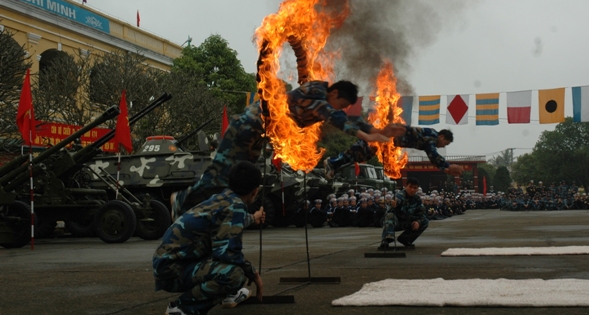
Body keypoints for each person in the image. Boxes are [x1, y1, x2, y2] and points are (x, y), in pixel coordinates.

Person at [170, 80, 398, 219]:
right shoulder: (318, 97)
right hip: (247, 126)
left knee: (240, 180)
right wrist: (366, 135)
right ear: (335, 94)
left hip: (260, 134)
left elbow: (347, 118)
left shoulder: (324, 100)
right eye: (342, 104)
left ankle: (212, 213)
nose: (341, 109)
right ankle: (180, 200)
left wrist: (375, 130)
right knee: (220, 173)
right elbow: (334, 116)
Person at [152, 161, 265, 315]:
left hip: (169, 263)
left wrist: (254, 217)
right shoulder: (235, 208)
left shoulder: (222, 198)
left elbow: (231, 220)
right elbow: (228, 253)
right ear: (255, 191)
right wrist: (253, 274)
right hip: (172, 271)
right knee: (235, 274)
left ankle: (228, 295)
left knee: (226, 259)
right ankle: (183, 309)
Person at [324, 126, 463, 179]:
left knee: (361, 155)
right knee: (359, 150)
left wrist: (444, 167)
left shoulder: (431, 135)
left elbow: (432, 153)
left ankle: (334, 165)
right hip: (386, 135)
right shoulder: (432, 136)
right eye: (445, 143)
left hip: (388, 142)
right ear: (442, 137)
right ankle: (332, 162)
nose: (441, 146)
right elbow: (432, 153)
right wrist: (446, 166)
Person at [379, 177, 428, 250]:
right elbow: (388, 211)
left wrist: (418, 222)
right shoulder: (399, 196)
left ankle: (406, 239)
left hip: (407, 221)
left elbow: (422, 213)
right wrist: (393, 206)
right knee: (390, 215)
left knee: (425, 221)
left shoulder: (417, 199)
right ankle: (386, 239)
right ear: (406, 186)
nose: (412, 190)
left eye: (415, 188)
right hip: (395, 222)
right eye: (410, 187)